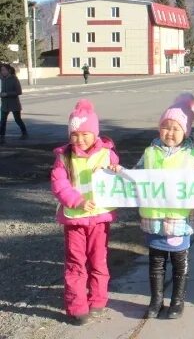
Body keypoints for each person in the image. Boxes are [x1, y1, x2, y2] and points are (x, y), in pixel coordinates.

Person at [129, 93, 194, 319]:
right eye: (165, 127)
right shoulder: (150, 152)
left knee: (178, 261)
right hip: (154, 219)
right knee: (156, 262)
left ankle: (177, 301)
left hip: (179, 220)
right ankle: (156, 301)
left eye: (176, 128)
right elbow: (134, 176)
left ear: (184, 131)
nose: (170, 132)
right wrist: (118, 174)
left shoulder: (190, 155)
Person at [50, 99, 119, 325]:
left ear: (95, 133)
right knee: (75, 263)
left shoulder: (107, 153)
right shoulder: (64, 157)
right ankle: (77, 306)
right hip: (75, 220)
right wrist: (76, 201)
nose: (80, 139)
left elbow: (118, 174)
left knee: (99, 261)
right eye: (75, 134)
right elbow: (59, 184)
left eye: (85, 134)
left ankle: (98, 299)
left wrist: (114, 170)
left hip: (99, 219)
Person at [0, 64, 28, 144]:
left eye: (4, 70)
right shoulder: (1, 79)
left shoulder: (14, 79)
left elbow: (19, 92)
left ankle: (24, 132)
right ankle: (2, 136)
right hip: (4, 104)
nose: (3, 72)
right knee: (2, 121)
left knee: (17, 119)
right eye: (1, 70)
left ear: (9, 70)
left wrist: (7, 94)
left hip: (14, 104)